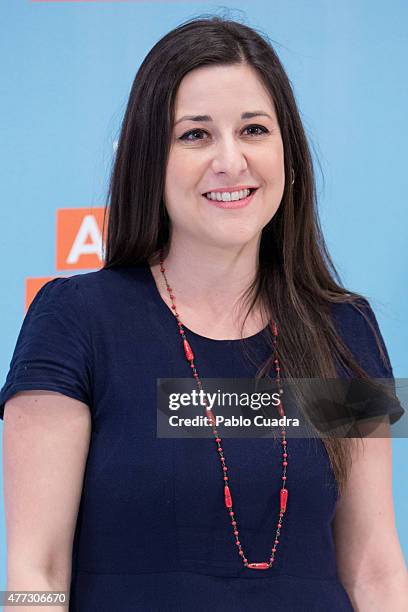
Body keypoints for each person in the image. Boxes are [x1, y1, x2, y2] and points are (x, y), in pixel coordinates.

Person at [1, 15, 407, 612]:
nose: (231, 160)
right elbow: (37, 564)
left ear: (287, 155)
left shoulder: (348, 330)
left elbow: (374, 564)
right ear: (149, 160)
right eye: (195, 135)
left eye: (253, 130)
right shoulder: (76, 319)